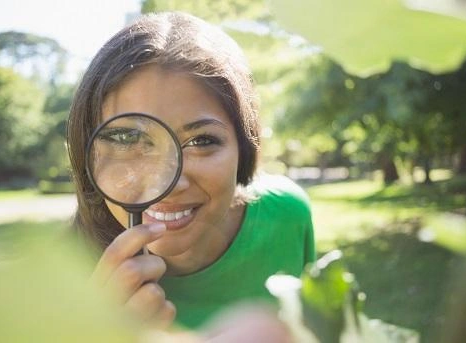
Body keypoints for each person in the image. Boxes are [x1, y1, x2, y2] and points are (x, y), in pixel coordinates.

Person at [66, 11, 315, 331]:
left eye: (201, 140)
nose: (167, 184)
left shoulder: (287, 215)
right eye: (128, 139)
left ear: (243, 145)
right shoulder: (64, 276)